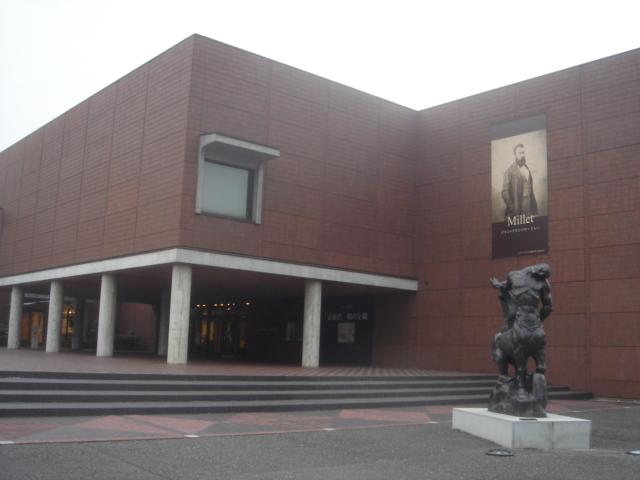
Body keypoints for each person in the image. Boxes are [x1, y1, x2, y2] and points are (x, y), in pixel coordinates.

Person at [501, 143, 538, 219]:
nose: (522, 155)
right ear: (515, 155)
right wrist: (512, 208)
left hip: (529, 205)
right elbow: (505, 192)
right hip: (518, 206)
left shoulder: (527, 168)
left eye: (523, 152)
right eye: (520, 153)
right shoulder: (509, 171)